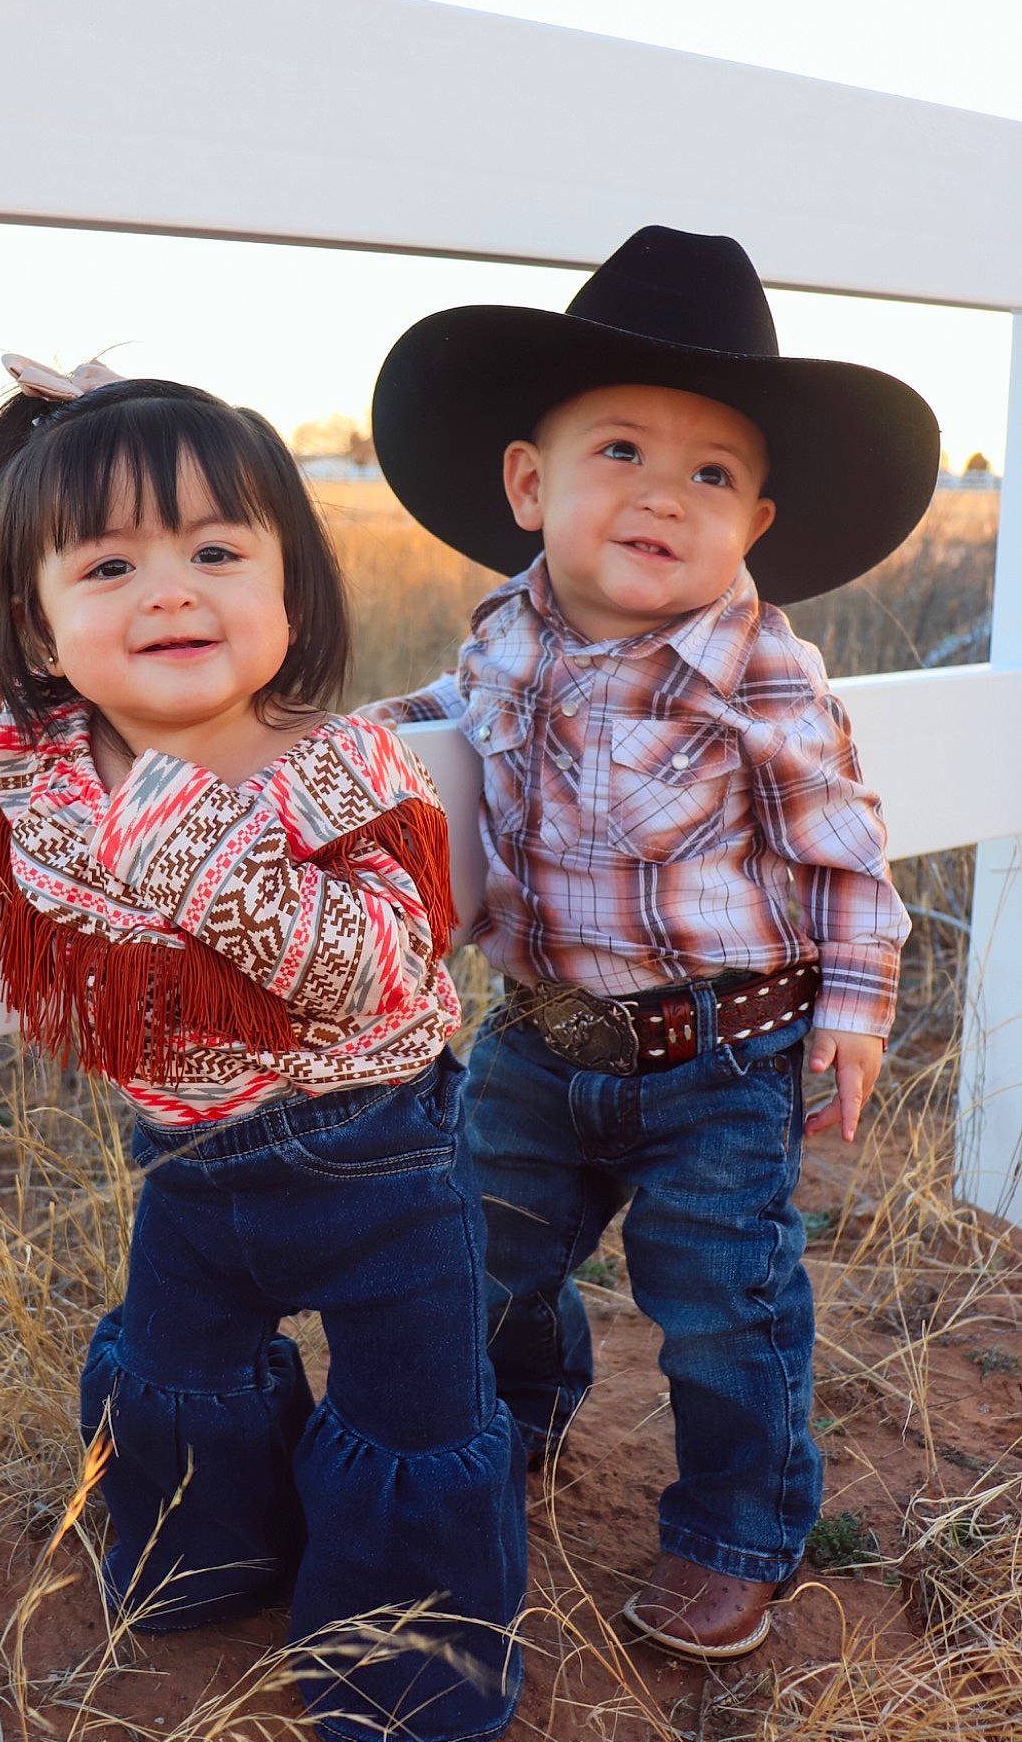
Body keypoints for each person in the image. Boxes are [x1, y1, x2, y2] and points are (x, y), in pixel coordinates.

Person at [0, 359, 526, 1742]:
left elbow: (380, 961)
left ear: (291, 586)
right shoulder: (45, 752)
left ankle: (405, 1668)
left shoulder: (346, 765)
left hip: (380, 1158)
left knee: (415, 1406)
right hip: (188, 1165)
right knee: (180, 1376)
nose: (169, 593)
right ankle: (209, 1567)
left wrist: (188, 838)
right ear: (41, 623)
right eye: (110, 565)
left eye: (216, 553)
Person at [357, 225, 940, 1661]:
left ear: (754, 523)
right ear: (528, 483)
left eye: (711, 475)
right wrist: (343, 746)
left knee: (722, 1306)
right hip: (536, 1038)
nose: (664, 496)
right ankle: (513, 1421)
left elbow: (845, 854)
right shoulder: (503, 637)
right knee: (481, 1255)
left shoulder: (764, 678)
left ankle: (735, 1531)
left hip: (718, 1058)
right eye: (619, 450)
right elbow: (444, 724)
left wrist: (854, 1013)